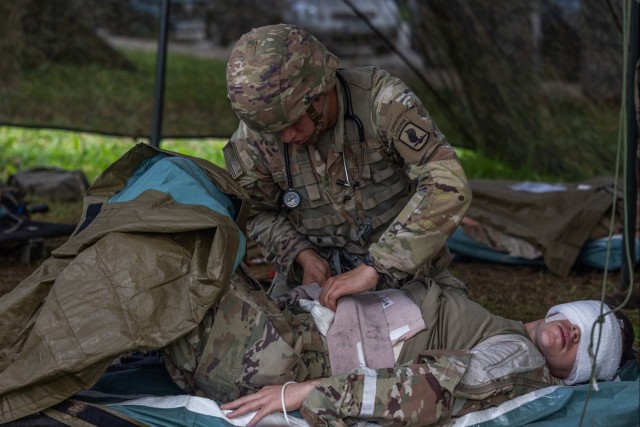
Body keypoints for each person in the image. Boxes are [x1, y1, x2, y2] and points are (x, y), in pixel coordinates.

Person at [162, 264, 636, 426]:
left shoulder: (521, 357)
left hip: (277, 355)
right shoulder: (493, 320)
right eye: (585, 322)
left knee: (169, 261)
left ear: (572, 375)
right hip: (286, 323)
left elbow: (429, 389)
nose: (577, 334)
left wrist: (306, 393)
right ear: (564, 308)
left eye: (592, 349)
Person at [223, 24, 472, 309]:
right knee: (275, 346)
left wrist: (377, 267)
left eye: (292, 124)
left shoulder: (382, 102)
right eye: (274, 132)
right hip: (314, 280)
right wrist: (301, 254)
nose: (286, 138)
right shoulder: (254, 138)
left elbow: (448, 185)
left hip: (407, 272)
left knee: (439, 339)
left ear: (320, 89)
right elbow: (255, 213)